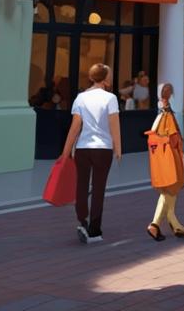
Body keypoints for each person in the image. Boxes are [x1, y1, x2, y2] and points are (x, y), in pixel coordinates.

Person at [60, 62, 121, 244]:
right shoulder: (110, 99)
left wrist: (65, 152)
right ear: (105, 79)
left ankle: (82, 221)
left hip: (82, 148)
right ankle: (95, 231)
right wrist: (119, 148)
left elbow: (75, 127)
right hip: (103, 149)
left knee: (81, 186)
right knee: (98, 189)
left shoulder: (81, 98)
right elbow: (114, 125)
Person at [146, 82, 184, 240]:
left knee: (169, 192)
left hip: (161, 159)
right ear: (169, 95)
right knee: (170, 190)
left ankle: (175, 224)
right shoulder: (167, 115)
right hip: (169, 158)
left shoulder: (159, 115)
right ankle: (155, 225)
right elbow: (174, 138)